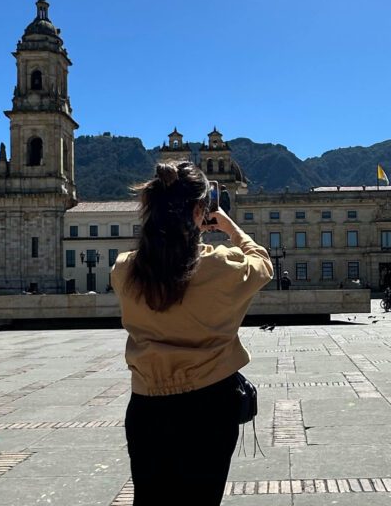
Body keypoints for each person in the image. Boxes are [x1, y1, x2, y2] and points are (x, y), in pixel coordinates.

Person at [110, 161, 273, 505]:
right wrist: (231, 229)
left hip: (148, 407)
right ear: (201, 209)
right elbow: (262, 263)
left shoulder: (124, 269)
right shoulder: (220, 266)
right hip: (210, 405)